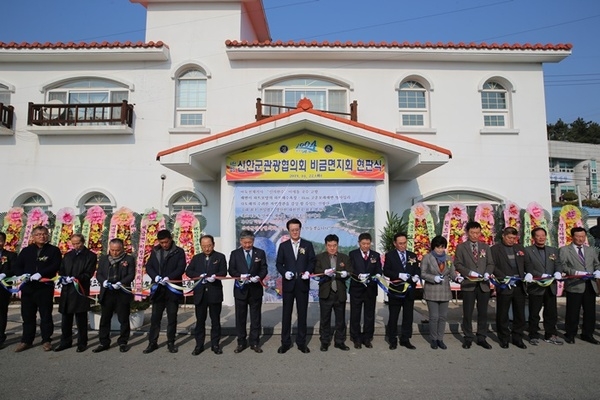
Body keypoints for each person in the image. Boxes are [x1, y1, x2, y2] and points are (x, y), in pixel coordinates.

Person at [13, 226, 61, 353]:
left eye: (44, 234)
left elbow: (55, 265)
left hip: (44, 288)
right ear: (33, 237)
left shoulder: (53, 250)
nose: (42, 236)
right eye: (39, 234)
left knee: (45, 315)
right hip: (28, 288)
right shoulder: (26, 251)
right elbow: (18, 266)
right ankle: (26, 340)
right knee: (28, 316)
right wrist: (21, 275)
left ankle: (46, 340)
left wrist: (41, 273)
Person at [275, 218, 316, 354]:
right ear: (289, 230)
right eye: (292, 230)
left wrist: (308, 272)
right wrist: (284, 272)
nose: (295, 232)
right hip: (288, 285)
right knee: (286, 315)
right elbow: (279, 264)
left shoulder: (307, 245)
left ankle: (301, 342)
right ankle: (285, 343)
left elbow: (312, 261)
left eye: (297, 229)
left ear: (300, 229)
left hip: (302, 284)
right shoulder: (284, 246)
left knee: (302, 314)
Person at [143, 229, 186, 354]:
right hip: (158, 290)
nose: (164, 245)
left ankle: (171, 342)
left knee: (172, 318)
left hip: (172, 289)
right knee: (155, 317)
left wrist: (169, 277)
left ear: (171, 239)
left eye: (166, 242)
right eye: (162, 243)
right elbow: (149, 266)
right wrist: (155, 276)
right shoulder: (155, 251)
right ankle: (152, 342)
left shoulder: (178, 252)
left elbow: (181, 267)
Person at [454, 221, 495, 349]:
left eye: (477, 233)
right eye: (472, 232)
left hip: (483, 284)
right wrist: (469, 272)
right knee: (468, 312)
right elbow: (458, 264)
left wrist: (488, 273)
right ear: (467, 232)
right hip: (469, 284)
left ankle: (481, 337)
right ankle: (468, 337)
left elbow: (490, 263)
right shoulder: (461, 247)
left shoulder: (485, 247)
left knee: (483, 312)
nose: (475, 235)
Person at [185, 234, 227, 355]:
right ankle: (199, 345)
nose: (207, 249)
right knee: (200, 321)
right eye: (204, 246)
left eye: (209, 246)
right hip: (200, 294)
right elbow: (189, 271)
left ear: (213, 244)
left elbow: (223, 271)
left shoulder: (220, 257)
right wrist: (199, 275)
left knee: (215, 320)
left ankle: (215, 344)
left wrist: (215, 277)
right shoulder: (197, 258)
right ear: (201, 246)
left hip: (214, 293)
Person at [54, 234, 97, 352]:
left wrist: (75, 278)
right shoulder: (68, 255)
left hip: (80, 289)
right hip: (67, 290)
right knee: (66, 318)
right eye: (73, 243)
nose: (76, 246)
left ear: (83, 242)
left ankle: (82, 342)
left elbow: (88, 273)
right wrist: (63, 277)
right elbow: (61, 269)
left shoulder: (90, 256)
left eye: (78, 243)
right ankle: (65, 341)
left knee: (81, 318)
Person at [92, 238, 136, 353]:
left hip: (121, 292)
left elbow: (131, 274)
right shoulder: (103, 259)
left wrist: (121, 283)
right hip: (107, 292)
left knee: (123, 319)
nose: (114, 252)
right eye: (112, 250)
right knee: (105, 319)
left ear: (122, 248)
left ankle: (123, 341)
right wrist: (104, 281)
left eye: (117, 250)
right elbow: (99, 274)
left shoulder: (129, 259)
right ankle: (104, 342)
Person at [228, 230, 268, 353]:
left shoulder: (260, 253)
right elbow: (231, 270)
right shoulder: (235, 254)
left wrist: (259, 277)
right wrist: (240, 275)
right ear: (241, 241)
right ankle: (241, 342)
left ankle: (254, 342)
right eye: (245, 243)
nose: (247, 245)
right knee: (241, 317)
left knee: (255, 317)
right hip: (241, 290)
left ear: (253, 241)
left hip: (255, 290)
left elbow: (264, 268)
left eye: (249, 242)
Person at [559, 226, 600, 344]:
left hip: (590, 285)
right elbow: (562, 265)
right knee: (573, 311)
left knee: (590, 312)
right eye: (578, 236)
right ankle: (570, 334)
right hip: (575, 284)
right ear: (572, 237)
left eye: (583, 236)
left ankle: (587, 334)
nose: (580, 239)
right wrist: (575, 272)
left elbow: (596, 264)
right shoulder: (565, 250)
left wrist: (598, 271)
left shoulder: (590, 250)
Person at [491, 226, 529, 349]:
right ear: (503, 236)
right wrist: (504, 277)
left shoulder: (520, 248)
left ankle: (518, 337)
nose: (511, 240)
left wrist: (528, 273)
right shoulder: (495, 249)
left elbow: (527, 263)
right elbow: (493, 266)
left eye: (514, 238)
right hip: (505, 284)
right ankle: (504, 338)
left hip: (519, 285)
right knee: (503, 313)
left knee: (520, 314)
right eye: (509, 238)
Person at [523, 227, 563, 345]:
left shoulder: (553, 250)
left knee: (551, 312)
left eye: (543, 235)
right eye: (538, 236)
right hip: (536, 286)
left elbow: (558, 264)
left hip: (551, 286)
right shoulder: (528, 250)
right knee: (534, 313)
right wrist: (540, 275)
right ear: (533, 238)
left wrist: (558, 272)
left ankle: (550, 334)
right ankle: (533, 334)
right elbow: (528, 266)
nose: (541, 238)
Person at [314, 234, 353, 352]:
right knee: (325, 319)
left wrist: (347, 274)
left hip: (339, 292)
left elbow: (351, 271)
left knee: (340, 319)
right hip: (326, 292)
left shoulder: (344, 258)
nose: (332, 248)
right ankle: (325, 341)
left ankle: (339, 341)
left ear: (337, 245)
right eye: (329, 246)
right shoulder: (319, 258)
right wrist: (324, 272)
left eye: (334, 245)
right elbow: (315, 271)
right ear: (326, 246)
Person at [420, 235, 459, 350]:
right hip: (432, 290)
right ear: (433, 247)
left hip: (444, 291)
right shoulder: (427, 257)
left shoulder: (448, 258)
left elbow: (452, 273)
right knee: (434, 316)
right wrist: (433, 278)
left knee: (443, 317)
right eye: (437, 247)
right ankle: (433, 339)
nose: (440, 250)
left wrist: (457, 278)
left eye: (442, 247)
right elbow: (422, 273)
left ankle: (440, 339)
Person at [383, 232, 420, 350]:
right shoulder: (390, 255)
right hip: (396, 290)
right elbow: (386, 271)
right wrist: (399, 275)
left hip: (409, 290)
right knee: (394, 315)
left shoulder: (412, 255)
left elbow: (417, 268)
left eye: (404, 243)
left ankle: (405, 338)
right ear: (395, 243)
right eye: (400, 243)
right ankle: (392, 339)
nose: (403, 246)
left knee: (408, 315)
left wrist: (416, 276)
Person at [348, 232, 382, 349]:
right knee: (355, 314)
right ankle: (356, 337)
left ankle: (367, 337)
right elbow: (350, 269)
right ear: (359, 243)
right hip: (356, 289)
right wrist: (358, 276)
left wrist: (377, 274)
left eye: (368, 243)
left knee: (369, 315)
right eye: (363, 244)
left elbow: (379, 269)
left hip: (370, 290)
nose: (366, 246)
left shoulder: (375, 255)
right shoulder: (353, 254)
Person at [0, 231, 17, 349]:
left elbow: (15, 269)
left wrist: (4, 274)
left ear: (4, 241)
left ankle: (1, 337)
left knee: (1, 314)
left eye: (0, 240)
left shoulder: (11, 255)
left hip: (3, 288)